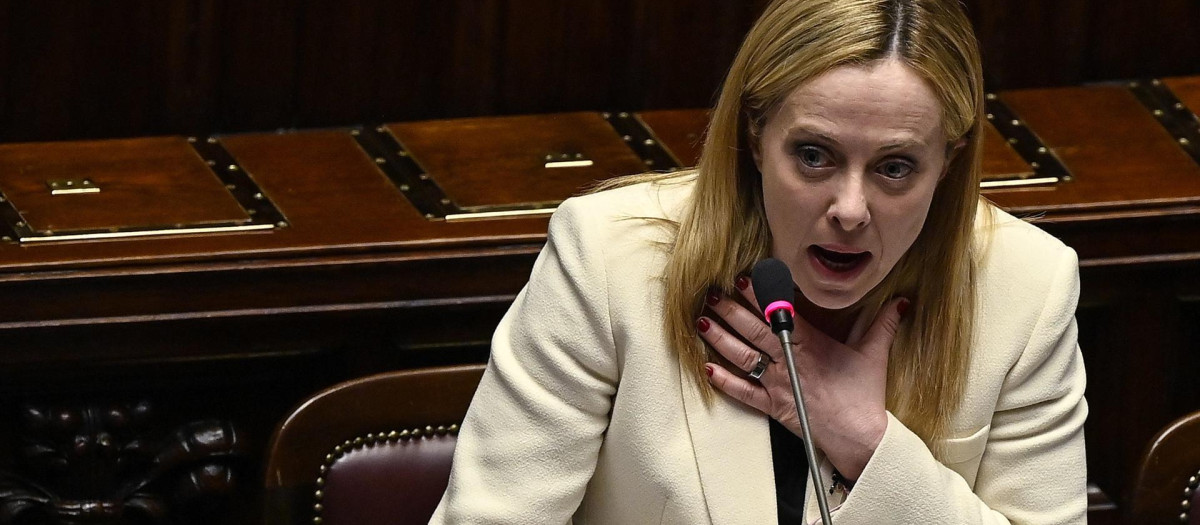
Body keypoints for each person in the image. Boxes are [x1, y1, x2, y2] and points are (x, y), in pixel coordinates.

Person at [430, 0, 1088, 522]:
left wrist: (866, 441)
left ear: (948, 161)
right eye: (813, 155)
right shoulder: (609, 259)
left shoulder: (1025, 288)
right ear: (754, 134)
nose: (850, 209)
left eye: (895, 167)